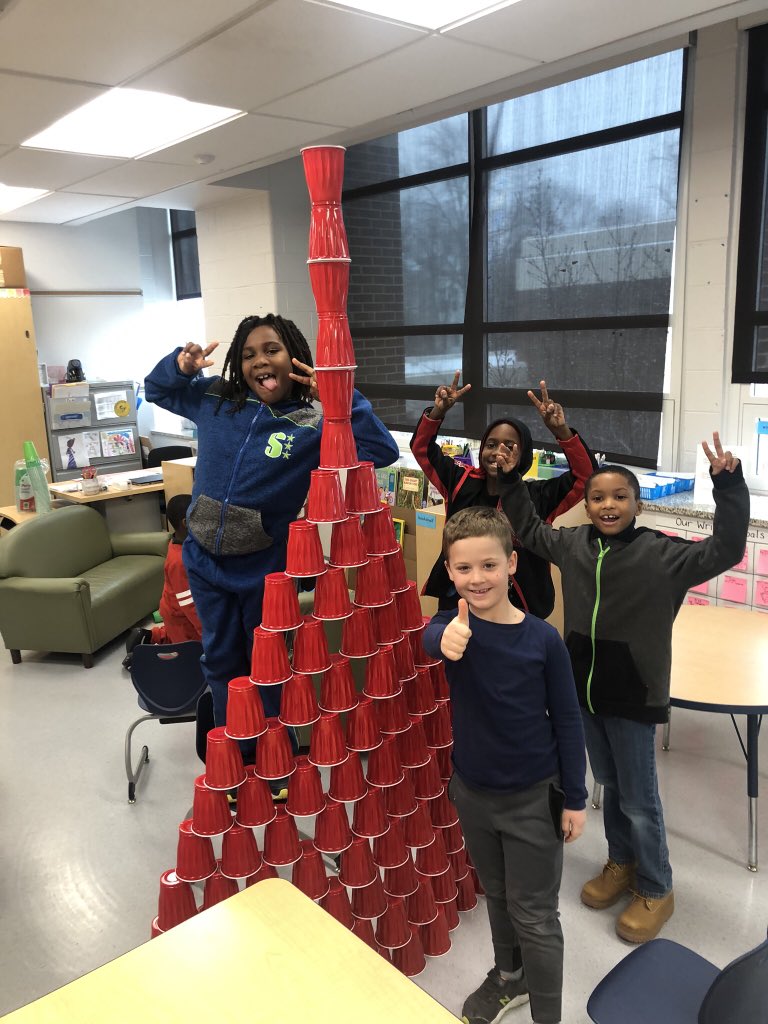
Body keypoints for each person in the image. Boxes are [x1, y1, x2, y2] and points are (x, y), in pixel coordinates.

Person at [495, 432, 750, 944]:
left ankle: (657, 885)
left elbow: (726, 548)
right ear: (586, 505)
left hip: (634, 694)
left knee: (639, 798)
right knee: (609, 784)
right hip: (584, 690)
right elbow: (524, 526)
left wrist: (729, 486)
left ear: (636, 504)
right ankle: (622, 862)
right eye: (597, 497)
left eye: (619, 497)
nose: (607, 505)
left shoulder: (662, 556)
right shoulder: (571, 545)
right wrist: (508, 476)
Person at [144, 314, 399, 737]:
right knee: (220, 659)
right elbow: (157, 389)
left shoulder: (314, 423)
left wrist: (339, 399)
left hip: (264, 569)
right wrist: (180, 366)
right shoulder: (215, 398)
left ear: (294, 358)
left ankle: (272, 751)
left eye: (271, 350)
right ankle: (237, 750)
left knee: (265, 662)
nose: (259, 361)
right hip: (204, 560)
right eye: (248, 355)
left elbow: (381, 449)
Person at [423, 506, 587, 1024]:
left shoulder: (542, 639)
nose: (478, 578)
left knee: (535, 915)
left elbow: (567, 719)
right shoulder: (452, 628)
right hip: (473, 792)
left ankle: (548, 1014)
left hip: (533, 798)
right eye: (464, 568)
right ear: (449, 572)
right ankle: (508, 978)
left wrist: (577, 800)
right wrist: (443, 639)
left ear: (513, 564)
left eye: (489, 565)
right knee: (496, 893)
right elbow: (429, 637)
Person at [410, 375, 596, 615]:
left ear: (524, 455)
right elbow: (422, 449)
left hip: (521, 609)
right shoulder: (460, 481)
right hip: (461, 602)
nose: (498, 452)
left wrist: (560, 430)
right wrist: (437, 412)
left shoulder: (538, 496)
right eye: (491, 444)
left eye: (509, 446)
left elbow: (586, 478)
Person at [122, 493, 202, 669]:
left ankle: (152, 636)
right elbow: (188, 604)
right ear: (185, 523)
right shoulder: (179, 561)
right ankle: (142, 659)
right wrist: (207, 632)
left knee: (179, 635)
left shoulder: (182, 545)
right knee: (190, 653)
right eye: (198, 515)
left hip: (174, 612)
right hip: (180, 616)